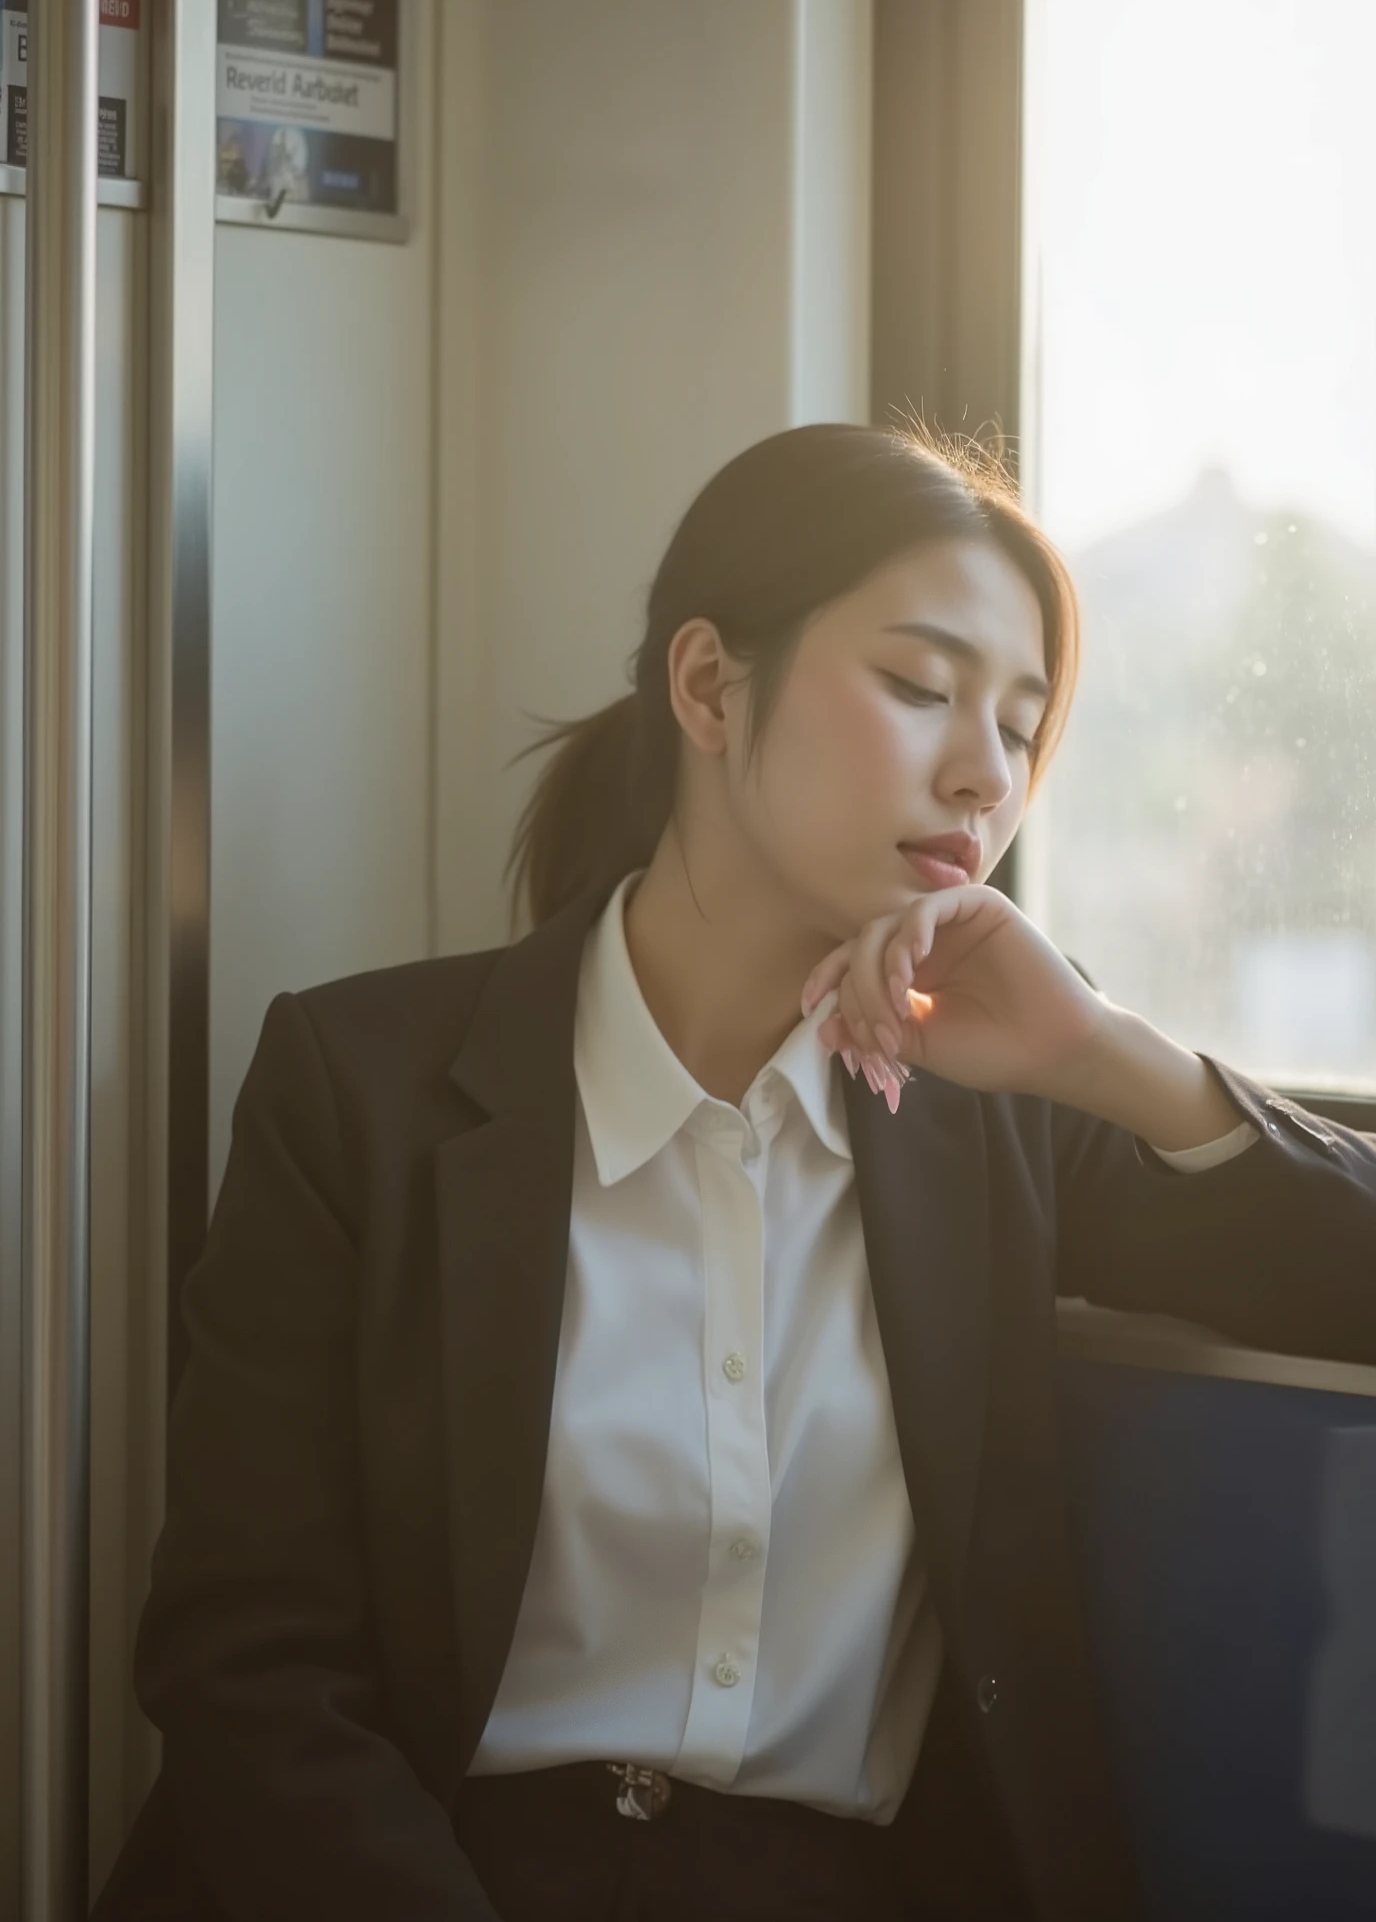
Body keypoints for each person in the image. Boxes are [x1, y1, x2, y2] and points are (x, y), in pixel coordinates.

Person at [91, 422, 1376, 1922]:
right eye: (919, 687)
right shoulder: (358, 1089)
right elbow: (248, 1668)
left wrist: (1105, 1055)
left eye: (1023, 729)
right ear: (708, 685)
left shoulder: (997, 1111)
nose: (982, 774)